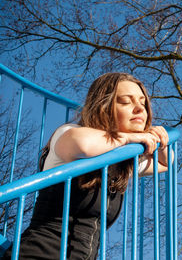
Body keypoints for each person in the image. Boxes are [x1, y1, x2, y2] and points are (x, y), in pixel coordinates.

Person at [2, 72, 172, 259]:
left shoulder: (118, 161)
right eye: (125, 101)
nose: (139, 108)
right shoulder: (67, 133)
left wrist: (159, 138)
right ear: (103, 107)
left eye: (143, 103)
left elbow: (165, 163)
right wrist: (130, 138)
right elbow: (83, 145)